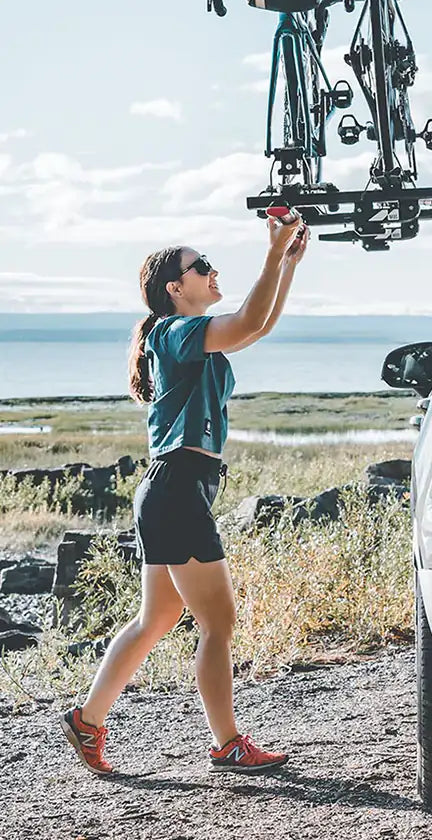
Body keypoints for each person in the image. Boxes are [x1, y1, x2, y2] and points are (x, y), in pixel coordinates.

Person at [60, 213, 307, 776]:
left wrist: (286, 265)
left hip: (170, 490)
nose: (212, 272)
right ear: (176, 288)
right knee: (218, 622)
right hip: (176, 491)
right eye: (202, 267)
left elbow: (256, 326)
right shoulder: (173, 333)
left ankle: (86, 722)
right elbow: (246, 323)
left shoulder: (186, 338)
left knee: (158, 617)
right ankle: (227, 743)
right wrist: (272, 254)